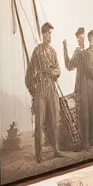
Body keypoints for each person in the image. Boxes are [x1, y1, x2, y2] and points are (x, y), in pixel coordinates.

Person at [26, 22, 62, 163]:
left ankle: (56, 150)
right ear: (42, 35)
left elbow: (58, 70)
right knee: (39, 124)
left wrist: (53, 72)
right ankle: (39, 154)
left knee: (53, 122)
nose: (49, 36)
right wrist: (33, 90)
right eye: (46, 34)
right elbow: (29, 74)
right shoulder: (37, 51)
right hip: (40, 92)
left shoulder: (53, 52)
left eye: (50, 34)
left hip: (51, 91)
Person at [63, 27, 93, 150]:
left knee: (91, 113)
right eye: (79, 39)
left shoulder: (88, 52)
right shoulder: (77, 52)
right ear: (77, 40)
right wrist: (65, 49)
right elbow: (69, 66)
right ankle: (85, 143)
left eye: (82, 38)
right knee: (83, 115)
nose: (81, 41)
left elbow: (92, 70)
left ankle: (91, 141)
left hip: (91, 87)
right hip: (81, 89)